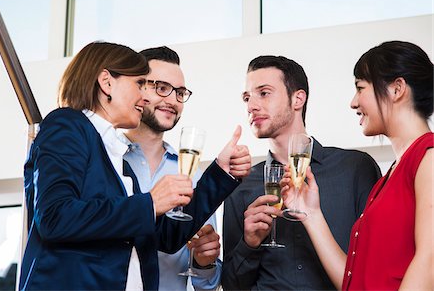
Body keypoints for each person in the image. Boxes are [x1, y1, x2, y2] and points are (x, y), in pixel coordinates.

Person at [19, 41, 251, 291]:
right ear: (107, 82)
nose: (144, 96)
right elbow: (55, 216)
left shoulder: (120, 166)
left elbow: (167, 237)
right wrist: (150, 203)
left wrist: (220, 172)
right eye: (140, 84)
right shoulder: (67, 125)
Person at [281, 41, 433, 290]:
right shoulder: (387, 180)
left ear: (397, 89)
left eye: (360, 88)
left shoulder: (428, 158)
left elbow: (430, 262)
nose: (353, 102)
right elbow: (354, 280)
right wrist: (310, 214)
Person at [221, 55, 381, 290]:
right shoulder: (240, 184)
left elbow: (376, 267)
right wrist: (250, 243)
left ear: (298, 98)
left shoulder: (356, 168)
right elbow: (232, 286)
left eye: (264, 93)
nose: (251, 106)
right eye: (247, 98)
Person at [122, 46, 223, 290]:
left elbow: (207, 286)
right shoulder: (107, 161)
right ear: (137, 87)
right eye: (162, 88)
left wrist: (204, 262)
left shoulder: (195, 176)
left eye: (179, 93)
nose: (172, 101)